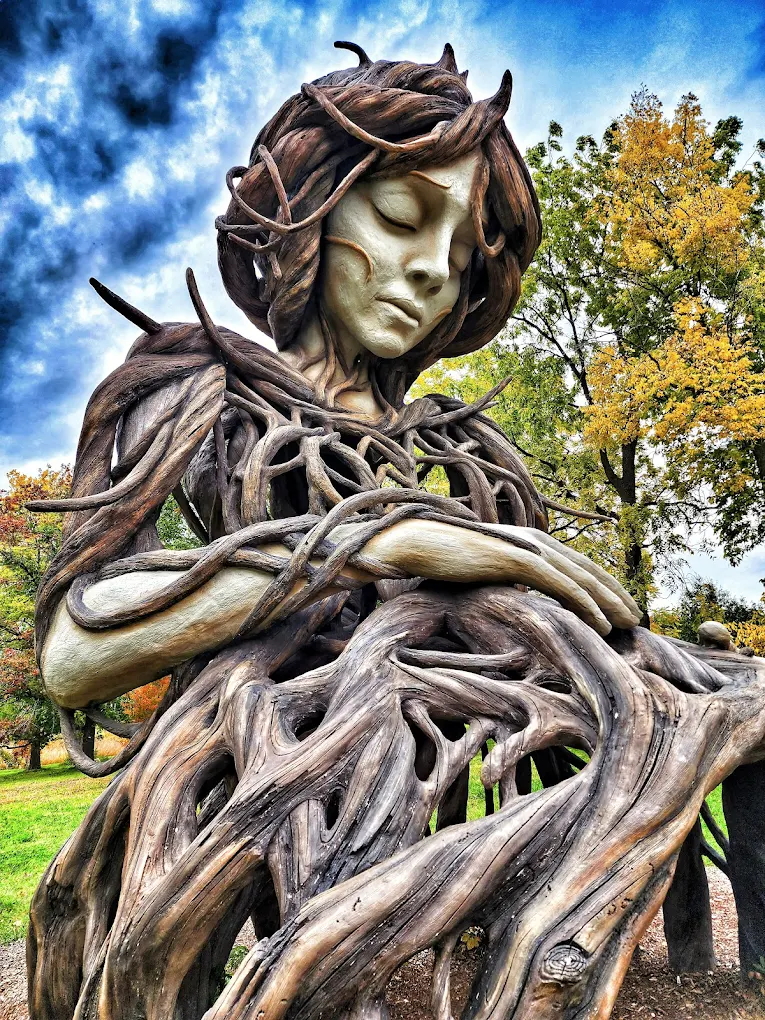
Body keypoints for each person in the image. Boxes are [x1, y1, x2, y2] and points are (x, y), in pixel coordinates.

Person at [33, 42, 640, 725]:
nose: (433, 270)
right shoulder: (197, 390)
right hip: (244, 789)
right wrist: (379, 543)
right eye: (400, 218)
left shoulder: (463, 450)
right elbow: (72, 656)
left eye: (464, 258)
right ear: (314, 201)